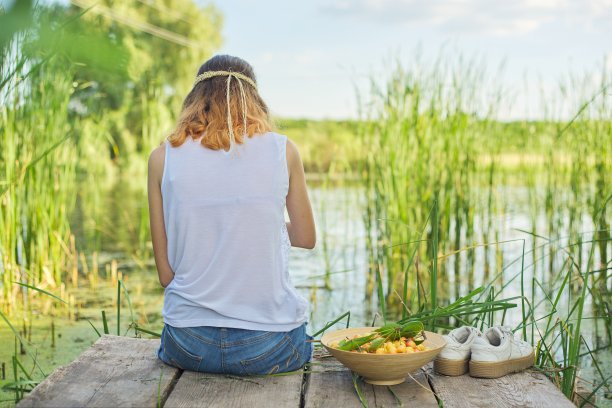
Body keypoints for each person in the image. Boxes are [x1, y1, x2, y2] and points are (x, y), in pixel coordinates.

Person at [147, 54, 316, 375]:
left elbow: (165, 276)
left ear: (195, 99)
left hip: (187, 344)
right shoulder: (283, 150)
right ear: (254, 99)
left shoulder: (161, 158)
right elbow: (306, 238)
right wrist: (258, 222)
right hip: (268, 347)